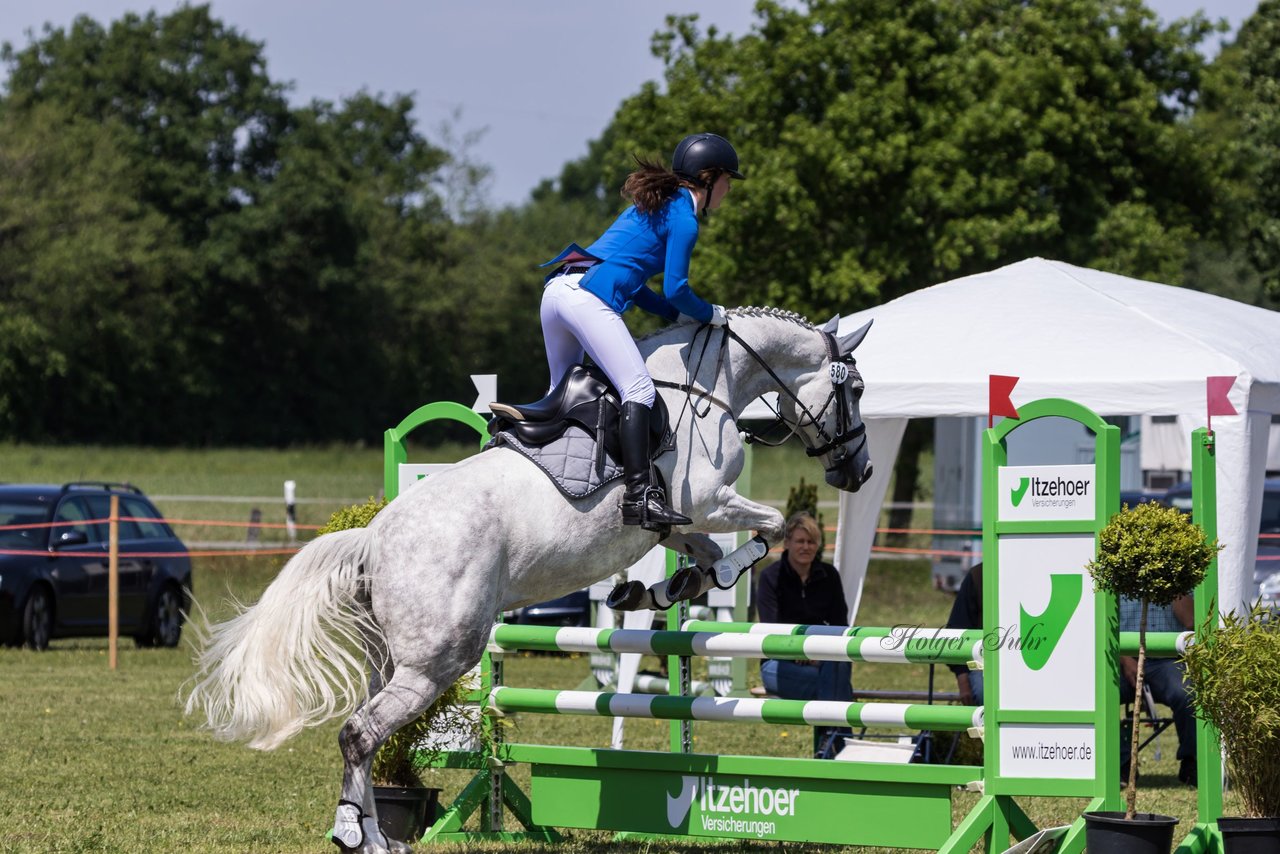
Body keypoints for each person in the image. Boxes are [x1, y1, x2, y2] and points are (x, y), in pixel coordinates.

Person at [539, 133, 743, 532]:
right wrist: (710, 314)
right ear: (708, 177)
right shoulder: (685, 217)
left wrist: (673, 316)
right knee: (639, 391)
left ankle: (534, 465)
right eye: (727, 179)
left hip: (557, 290)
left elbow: (637, 286)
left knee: (560, 394)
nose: (729, 188)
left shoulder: (655, 204)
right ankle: (640, 497)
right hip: (588, 298)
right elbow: (677, 288)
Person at [756, 512, 853, 757]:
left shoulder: (829, 576)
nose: (806, 547)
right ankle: (842, 745)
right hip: (778, 665)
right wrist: (801, 652)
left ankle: (829, 748)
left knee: (834, 669)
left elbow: (841, 624)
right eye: (800, 541)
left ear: (818, 546)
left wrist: (819, 656)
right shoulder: (769, 578)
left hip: (825, 660)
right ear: (787, 543)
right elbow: (770, 630)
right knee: (836, 685)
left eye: (811, 542)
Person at [1119, 594, 1197, 785]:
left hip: (1168, 659)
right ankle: (1121, 761)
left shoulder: (1181, 574)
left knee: (1187, 693)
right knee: (1096, 696)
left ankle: (1192, 762)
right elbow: (1102, 623)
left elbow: (1191, 621)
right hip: (1124, 658)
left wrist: (1175, 587)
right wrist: (1124, 658)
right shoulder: (1118, 572)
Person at [945, 562, 983, 705]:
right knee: (981, 690)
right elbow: (957, 631)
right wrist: (962, 675)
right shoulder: (978, 575)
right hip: (985, 662)